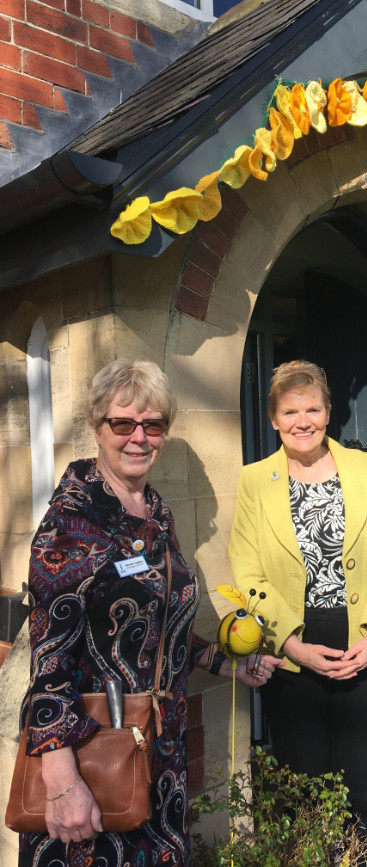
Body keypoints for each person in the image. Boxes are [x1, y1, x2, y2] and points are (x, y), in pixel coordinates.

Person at [17, 359, 283, 867]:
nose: (139, 437)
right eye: (123, 423)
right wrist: (60, 777)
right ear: (97, 427)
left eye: (154, 424)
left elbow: (158, 627)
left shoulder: (155, 512)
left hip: (159, 754)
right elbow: (48, 659)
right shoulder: (71, 521)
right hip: (96, 758)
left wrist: (224, 663)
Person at [228, 360, 367, 866]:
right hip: (292, 646)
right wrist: (291, 645)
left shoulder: (365, 469)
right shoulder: (254, 481)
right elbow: (249, 574)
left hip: (360, 641)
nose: (302, 420)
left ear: (329, 412)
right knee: (301, 785)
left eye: (312, 408)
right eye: (290, 410)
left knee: (358, 788)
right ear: (273, 418)